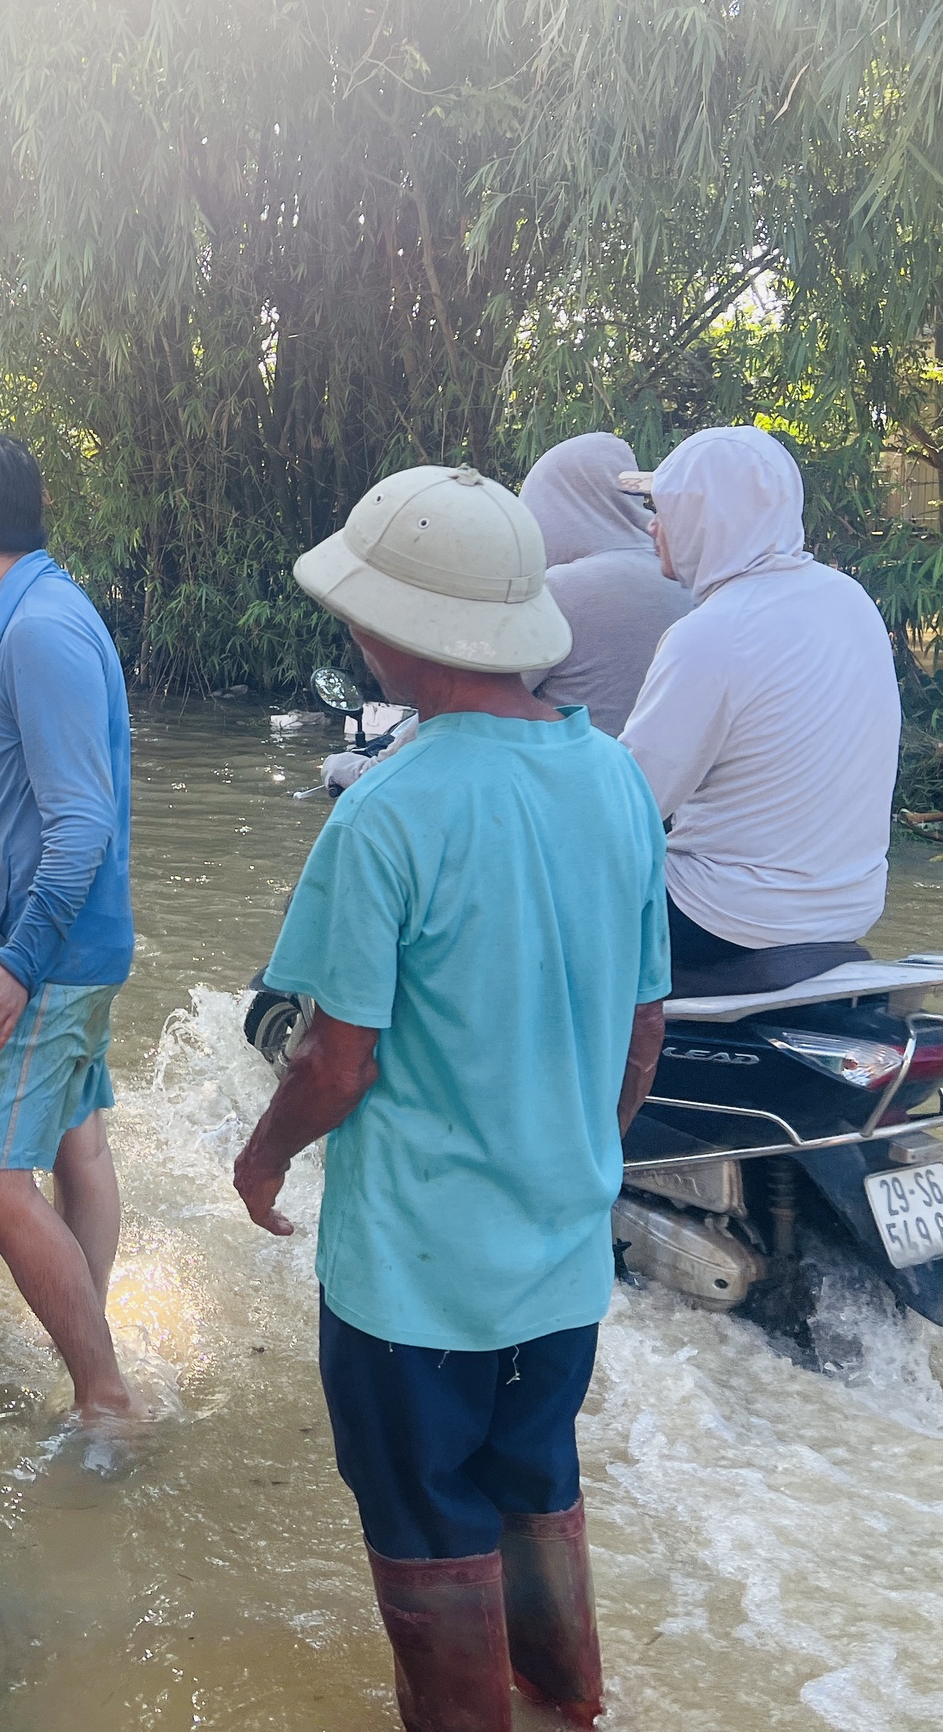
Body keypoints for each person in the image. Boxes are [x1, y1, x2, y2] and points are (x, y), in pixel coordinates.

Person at [229, 464, 668, 1732]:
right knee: (535, 1484)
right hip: (559, 1261)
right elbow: (645, 1024)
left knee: (426, 1522)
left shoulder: (385, 817)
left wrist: (259, 1164)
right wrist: (580, 1154)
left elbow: (333, 1062)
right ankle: (567, 1701)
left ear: (399, 632)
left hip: (414, 1279)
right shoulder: (618, 782)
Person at [0, 431, 137, 1425]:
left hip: (47, 958)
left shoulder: (41, 630)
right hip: (74, 949)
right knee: (77, 1149)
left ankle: (104, 1400)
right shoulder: (48, 610)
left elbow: (80, 821)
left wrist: (13, 963)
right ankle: (87, 1346)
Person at [617, 425, 901, 993]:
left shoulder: (711, 633)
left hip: (723, 916)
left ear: (705, 521)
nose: (653, 525)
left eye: (665, 509)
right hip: (848, 909)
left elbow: (629, 800)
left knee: (540, 888)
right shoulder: (849, 598)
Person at [518, 431, 694, 737]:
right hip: (674, 779)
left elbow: (473, 701)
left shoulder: (560, 590)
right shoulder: (689, 578)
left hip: (574, 779)